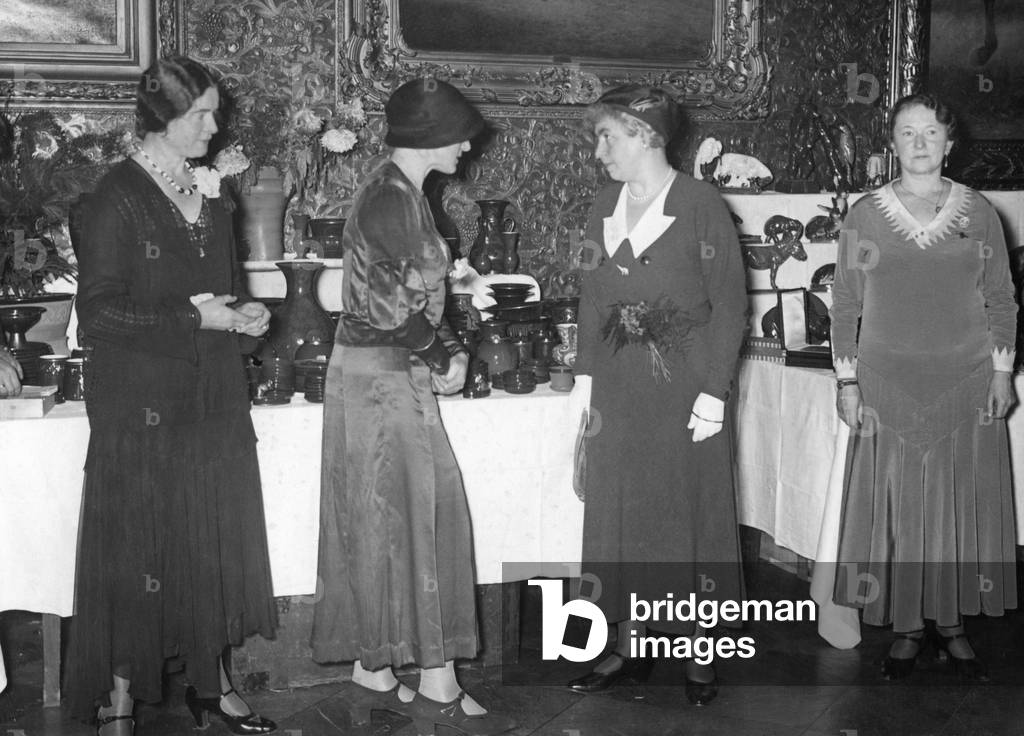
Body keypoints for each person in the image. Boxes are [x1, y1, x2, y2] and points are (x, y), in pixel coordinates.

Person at [66, 57, 278, 735]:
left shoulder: (213, 192)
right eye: (201, 115)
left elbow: (222, 287)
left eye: (214, 112)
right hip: (140, 405)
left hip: (211, 395)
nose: (215, 129)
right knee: (142, 551)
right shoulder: (116, 197)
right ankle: (121, 703)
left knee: (207, 537)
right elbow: (98, 315)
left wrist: (245, 316)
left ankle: (210, 685)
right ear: (159, 118)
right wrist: (198, 319)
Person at [310, 78, 515, 736]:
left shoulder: (400, 194)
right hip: (381, 378)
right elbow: (388, 310)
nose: (465, 145)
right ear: (427, 137)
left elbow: (416, 297)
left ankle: (377, 668)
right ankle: (437, 681)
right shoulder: (392, 200)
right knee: (426, 515)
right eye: (458, 134)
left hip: (383, 373)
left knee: (390, 519)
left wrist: (446, 349)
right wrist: (442, 355)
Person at [568, 85, 748, 705]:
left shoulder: (700, 203)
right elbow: (592, 301)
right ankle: (631, 641)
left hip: (687, 385)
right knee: (622, 510)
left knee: (687, 513)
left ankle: (700, 645)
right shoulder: (603, 205)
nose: (599, 151)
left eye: (607, 136)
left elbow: (729, 304)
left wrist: (715, 391)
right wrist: (585, 386)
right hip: (620, 387)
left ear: (644, 134)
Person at [831, 93, 1018, 680]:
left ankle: (954, 623)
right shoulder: (864, 214)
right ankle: (908, 626)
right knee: (901, 511)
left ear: (948, 142)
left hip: (966, 383)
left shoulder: (980, 211)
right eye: (907, 132)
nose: (919, 143)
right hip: (887, 384)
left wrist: (1001, 372)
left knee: (958, 506)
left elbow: (1001, 298)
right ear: (892, 142)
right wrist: (848, 383)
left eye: (930, 133)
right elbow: (843, 305)